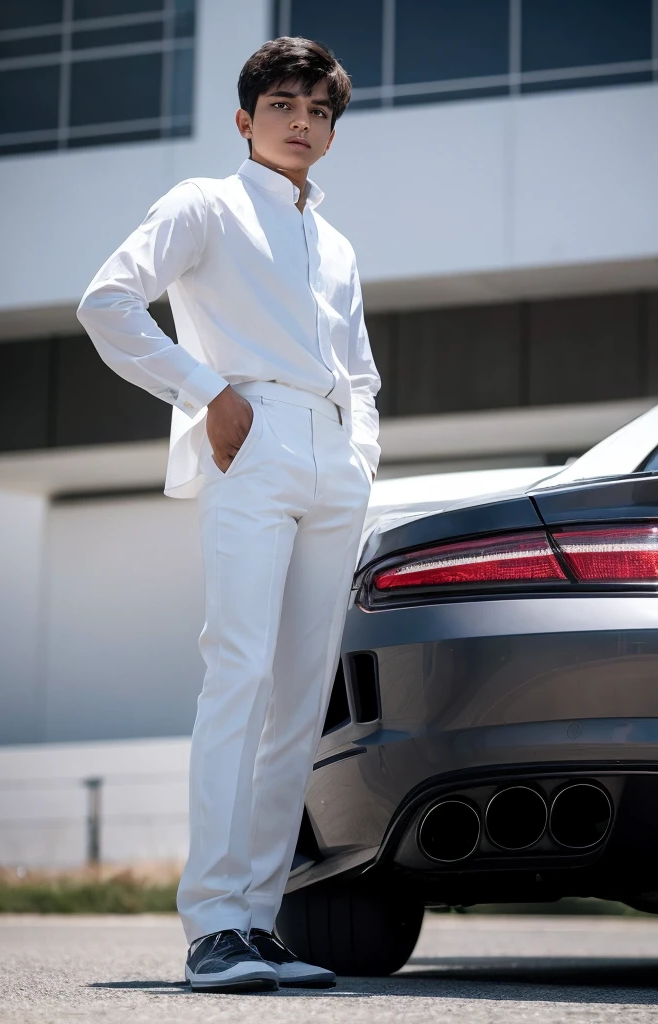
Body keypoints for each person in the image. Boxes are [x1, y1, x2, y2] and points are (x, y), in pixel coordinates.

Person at [76, 36, 380, 992]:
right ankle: (212, 928)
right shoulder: (203, 204)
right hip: (252, 440)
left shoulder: (336, 243)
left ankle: (259, 923)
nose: (303, 122)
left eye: (320, 111)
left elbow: (362, 368)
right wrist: (207, 391)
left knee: (300, 698)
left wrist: (363, 452)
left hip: (337, 458)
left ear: (332, 132)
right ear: (245, 119)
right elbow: (107, 303)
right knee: (238, 677)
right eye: (284, 105)